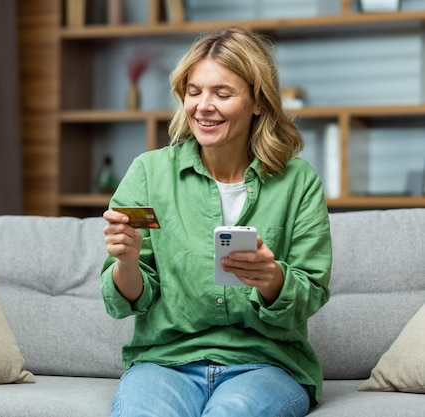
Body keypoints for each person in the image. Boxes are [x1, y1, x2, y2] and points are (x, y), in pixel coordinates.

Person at [100, 26, 332, 417]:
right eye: (194, 92)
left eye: (222, 94)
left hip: (265, 365)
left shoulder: (298, 181)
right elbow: (125, 302)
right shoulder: (149, 173)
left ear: (258, 102)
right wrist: (126, 261)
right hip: (165, 362)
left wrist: (272, 278)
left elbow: (312, 291)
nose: (203, 106)